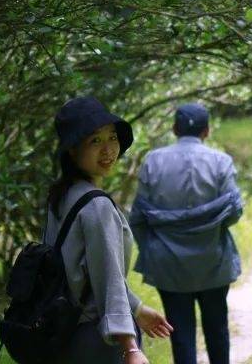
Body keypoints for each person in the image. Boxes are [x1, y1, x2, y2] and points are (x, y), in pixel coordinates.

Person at [45, 95, 174, 364]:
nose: (108, 150)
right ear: (72, 149)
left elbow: (92, 274)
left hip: (64, 336)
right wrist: (130, 347)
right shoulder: (96, 205)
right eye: (95, 141)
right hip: (98, 341)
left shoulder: (62, 196)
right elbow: (109, 279)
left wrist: (137, 308)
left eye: (112, 138)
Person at [128, 103, 243, 364]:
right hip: (214, 261)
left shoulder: (153, 161)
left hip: (168, 265)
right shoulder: (221, 162)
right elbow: (235, 212)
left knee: (179, 334)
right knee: (217, 329)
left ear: (174, 129)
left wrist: (152, 250)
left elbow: (137, 217)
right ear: (207, 131)